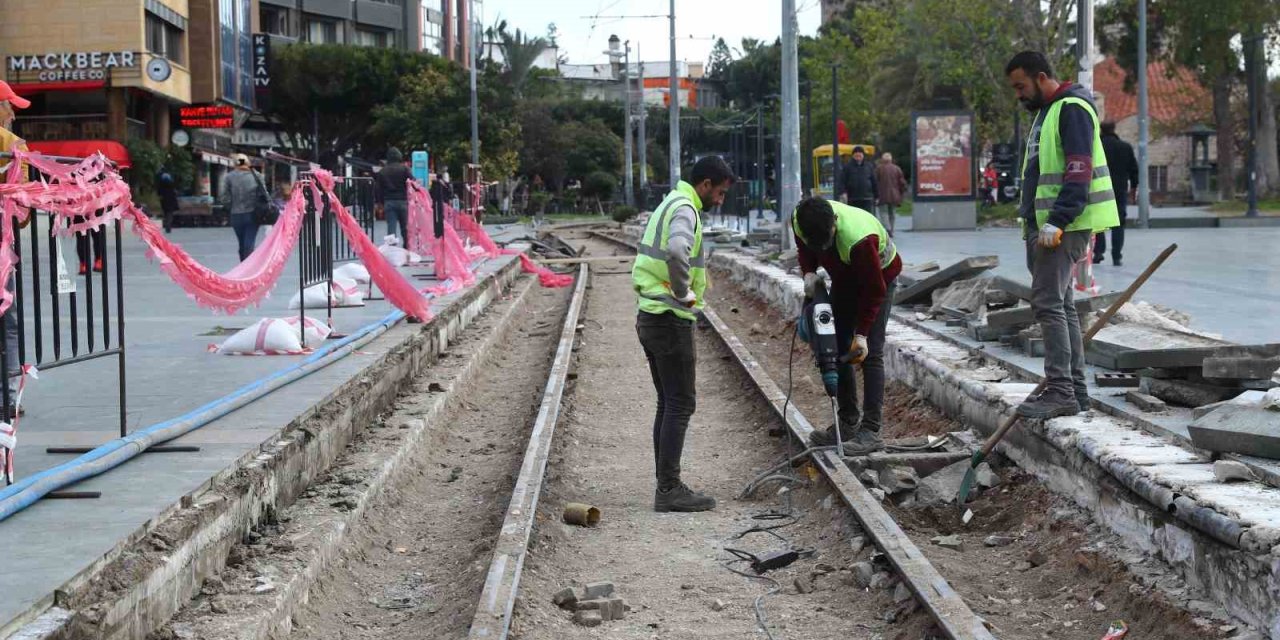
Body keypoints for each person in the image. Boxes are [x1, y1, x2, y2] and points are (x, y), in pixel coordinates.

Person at [1006, 51, 1119, 420]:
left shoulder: (1071, 109)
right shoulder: (1048, 112)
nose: (1019, 94)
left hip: (1061, 227)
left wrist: (1058, 220)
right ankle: (1075, 391)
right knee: (1061, 304)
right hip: (1047, 226)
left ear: (1041, 77)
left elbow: (1078, 170)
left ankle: (1060, 391)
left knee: (1048, 304)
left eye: (1021, 86)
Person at [632, 155, 735, 513]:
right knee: (680, 404)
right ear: (705, 184)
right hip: (669, 319)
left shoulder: (671, 202)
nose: (720, 200)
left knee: (668, 402)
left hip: (651, 315)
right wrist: (683, 292)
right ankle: (669, 489)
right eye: (719, 192)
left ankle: (666, 484)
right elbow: (677, 251)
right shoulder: (686, 209)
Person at [793, 197, 902, 454]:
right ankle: (848, 421)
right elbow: (804, 249)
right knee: (835, 344)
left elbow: (874, 291)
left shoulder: (859, 240)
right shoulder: (800, 220)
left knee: (870, 353)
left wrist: (861, 334)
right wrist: (808, 271)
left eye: (827, 241)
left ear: (834, 222)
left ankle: (871, 431)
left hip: (879, 277)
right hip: (845, 276)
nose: (824, 247)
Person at [0, 82, 29, 418]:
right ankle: (7, 398)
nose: (14, 115)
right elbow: (22, 207)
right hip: (2, 242)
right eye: (11, 107)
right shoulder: (12, 144)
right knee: (7, 318)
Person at [1092, 121, 1139, 266]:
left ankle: (1098, 252)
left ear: (1101, 129)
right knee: (1118, 222)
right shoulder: (1125, 147)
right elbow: (1134, 170)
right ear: (1114, 129)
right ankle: (1116, 256)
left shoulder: (1095, 146)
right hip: (1119, 190)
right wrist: (1133, 188)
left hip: (1099, 188)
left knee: (1098, 221)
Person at [219, 154, 264, 261]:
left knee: (242, 242)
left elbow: (224, 197)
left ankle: (243, 264)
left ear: (235, 163)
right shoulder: (257, 176)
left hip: (236, 215)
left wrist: (230, 206)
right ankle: (248, 265)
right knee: (249, 242)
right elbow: (264, 194)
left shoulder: (229, 177)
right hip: (253, 214)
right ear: (247, 162)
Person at [375, 148, 411, 241]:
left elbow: (378, 189)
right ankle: (406, 245)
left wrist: (379, 203)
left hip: (389, 201)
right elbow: (412, 182)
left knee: (391, 227)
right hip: (403, 201)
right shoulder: (405, 169)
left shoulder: (383, 171)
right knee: (405, 227)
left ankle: (392, 247)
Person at [874, 152, 907, 236]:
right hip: (894, 195)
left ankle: (887, 228)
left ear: (882, 159)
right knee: (892, 213)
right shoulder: (897, 169)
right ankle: (891, 229)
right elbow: (902, 183)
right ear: (891, 159)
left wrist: (875, 194)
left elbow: (875, 182)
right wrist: (901, 193)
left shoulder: (879, 169)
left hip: (882, 195)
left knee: (883, 212)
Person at [839, 145, 877, 213]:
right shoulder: (847, 167)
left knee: (867, 216)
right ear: (853, 155)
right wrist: (843, 192)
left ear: (863, 155)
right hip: (852, 198)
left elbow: (874, 181)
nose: (858, 156)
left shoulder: (869, 166)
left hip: (867, 198)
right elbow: (842, 181)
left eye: (860, 154)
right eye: (856, 154)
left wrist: (877, 196)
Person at [157, 168, 179, 234]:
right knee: (170, 214)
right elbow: (175, 192)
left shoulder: (161, 184)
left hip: (164, 200)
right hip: (171, 200)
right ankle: (168, 227)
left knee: (166, 213)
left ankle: (167, 226)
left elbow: (159, 193)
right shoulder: (171, 184)